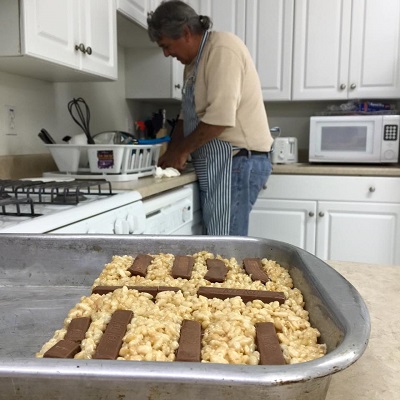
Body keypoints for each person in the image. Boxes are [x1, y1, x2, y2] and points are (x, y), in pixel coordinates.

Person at [147, 0, 273, 236]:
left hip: (238, 161)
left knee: (224, 245)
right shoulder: (193, 63)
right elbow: (185, 117)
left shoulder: (222, 49)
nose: (165, 54)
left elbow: (220, 118)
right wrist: (170, 154)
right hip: (221, 163)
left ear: (185, 33)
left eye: (166, 45)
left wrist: (181, 152)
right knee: (216, 242)